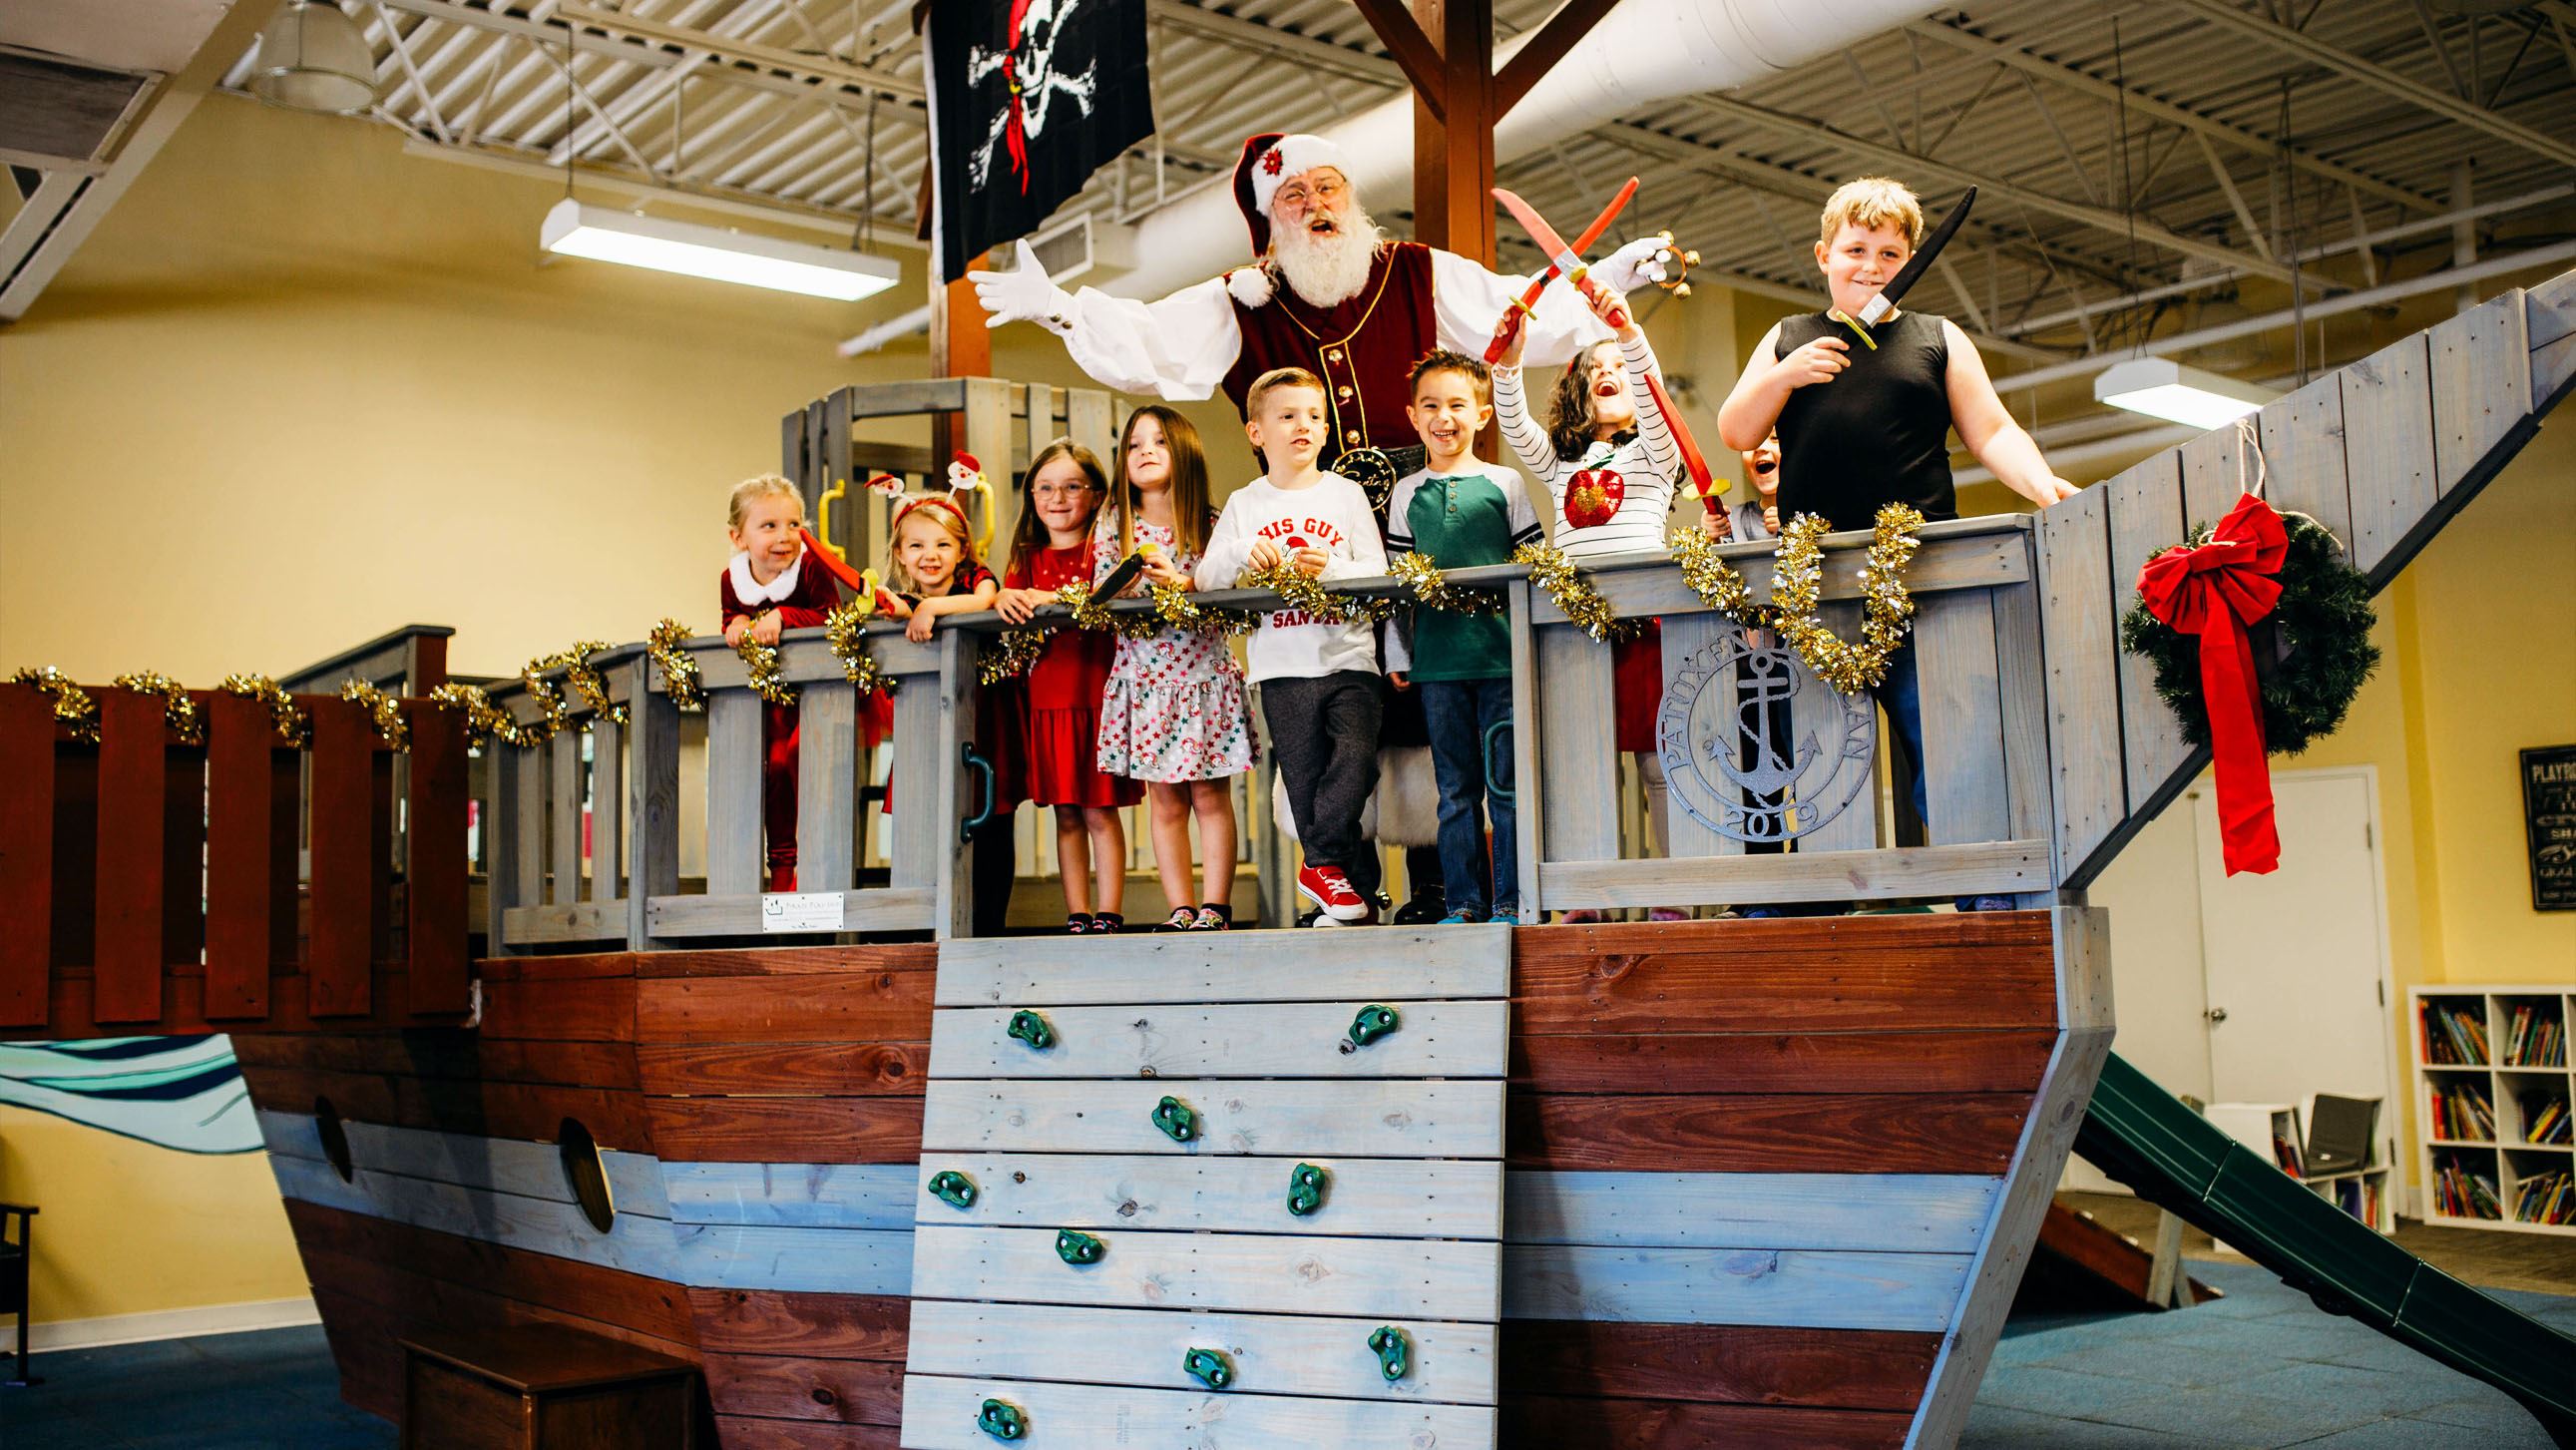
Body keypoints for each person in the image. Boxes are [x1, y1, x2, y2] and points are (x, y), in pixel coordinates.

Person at [1715, 176, 2077, 897]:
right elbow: (1735, 428)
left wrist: (2042, 485)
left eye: (1889, 252)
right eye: (1855, 249)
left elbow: (1993, 429)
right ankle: (1799, 909)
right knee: (1813, 755)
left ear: (1909, 258)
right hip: (1817, 590)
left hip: (1919, 576)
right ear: (1824, 254)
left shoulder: (1937, 338)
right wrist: (1786, 376)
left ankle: (1985, 895)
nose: (1871, 265)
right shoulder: (1790, 336)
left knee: (1945, 748)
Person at [970, 131, 1672, 478]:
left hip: (1424, 515)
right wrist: (1061, 308)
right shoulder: (1239, 302)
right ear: (1272, 221)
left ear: (1351, 197)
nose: (1316, 206)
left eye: (1328, 189)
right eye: (1294, 198)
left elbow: (1520, 315)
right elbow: (1149, 343)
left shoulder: (1414, 271)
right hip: (1306, 533)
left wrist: (1612, 276)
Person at [1496, 284, 1711, 922]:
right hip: (1575, 628)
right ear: (1578, 394)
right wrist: (1508, 363)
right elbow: (1513, 423)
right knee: (1582, 763)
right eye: (1595, 372)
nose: (1608, 377)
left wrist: (1629, 336)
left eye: (1618, 370)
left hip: (1645, 623)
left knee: (1658, 758)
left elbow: (1650, 392)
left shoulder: (1655, 451)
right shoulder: (1561, 464)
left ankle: (1673, 893)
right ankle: (1587, 896)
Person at [1196, 367, 1395, 926]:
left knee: (1355, 765)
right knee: (1305, 783)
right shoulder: (1245, 503)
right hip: (1281, 665)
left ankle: (1322, 862)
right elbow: (1208, 580)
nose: (1302, 425)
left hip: (1349, 660)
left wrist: (1330, 566)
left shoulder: (1347, 494)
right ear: (1256, 432)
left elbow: (1377, 572)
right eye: (1286, 416)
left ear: (1326, 429)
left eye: (1312, 415)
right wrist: (1241, 552)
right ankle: (1346, 899)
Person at [1386, 350, 1539, 926]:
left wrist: (1529, 651)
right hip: (1437, 668)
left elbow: (1533, 567)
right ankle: (1464, 903)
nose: (1444, 417)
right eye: (1431, 406)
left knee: (1505, 786)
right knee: (1454, 792)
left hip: (1501, 660)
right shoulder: (1406, 494)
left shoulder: (1506, 483)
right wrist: (1397, 653)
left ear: (1482, 413)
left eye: (1457, 405)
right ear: (1412, 416)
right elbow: (1399, 586)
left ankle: (1513, 901)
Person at [1092, 406, 1255, 932]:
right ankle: (1180, 908)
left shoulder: (1211, 524)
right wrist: (1131, 587)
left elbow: (1232, 593)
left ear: (1182, 451)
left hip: (1203, 677)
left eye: (1158, 442)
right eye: (1134, 444)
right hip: (1146, 683)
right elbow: (1098, 592)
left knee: (1209, 796)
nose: (1143, 451)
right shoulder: (1113, 524)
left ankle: (1216, 907)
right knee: (1163, 802)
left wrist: (1183, 584)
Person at [997, 441, 1143, 934]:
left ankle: (1110, 912)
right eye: (1045, 487)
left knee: (1100, 810)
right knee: (1066, 814)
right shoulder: (1026, 556)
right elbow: (1006, 601)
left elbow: (1112, 594)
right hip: (1048, 699)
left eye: (1071, 486)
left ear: (1098, 494)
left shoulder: (1105, 551)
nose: (1057, 497)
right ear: (1031, 496)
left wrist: (1052, 598)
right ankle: (1077, 913)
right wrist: (1006, 595)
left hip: (1098, 695)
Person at [883, 493, 1018, 933]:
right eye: (917, 545)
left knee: (989, 825)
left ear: (962, 550)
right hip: (922, 729)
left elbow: (985, 600)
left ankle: (988, 928)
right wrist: (907, 607)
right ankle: (923, 929)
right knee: (923, 824)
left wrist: (931, 607)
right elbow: (883, 609)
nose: (930, 555)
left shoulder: (975, 580)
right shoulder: (901, 599)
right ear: (900, 554)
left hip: (981, 727)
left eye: (942, 544)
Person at [718, 474, 848, 893]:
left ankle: (819, 861)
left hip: (818, 698)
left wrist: (786, 618)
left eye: (794, 524)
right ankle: (782, 869)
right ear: (739, 537)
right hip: (770, 700)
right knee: (772, 769)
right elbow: (729, 616)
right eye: (769, 526)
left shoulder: (809, 568)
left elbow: (834, 616)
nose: (784, 536)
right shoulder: (733, 577)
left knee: (799, 758)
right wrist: (738, 621)